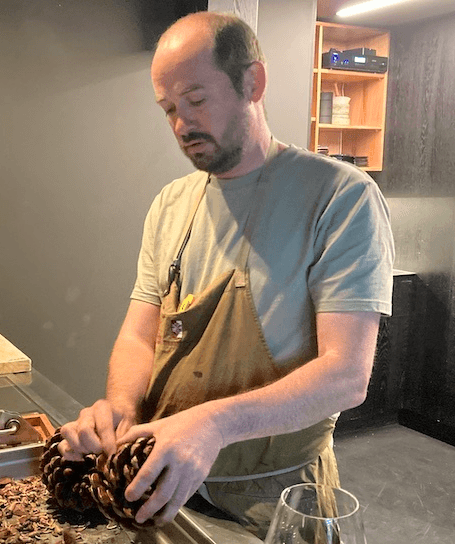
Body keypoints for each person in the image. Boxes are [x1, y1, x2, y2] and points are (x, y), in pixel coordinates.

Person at [58, 10, 394, 538]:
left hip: (276, 497)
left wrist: (214, 423)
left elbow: (346, 374)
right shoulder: (171, 204)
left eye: (195, 100)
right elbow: (139, 334)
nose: (181, 125)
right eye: (168, 108)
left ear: (252, 82)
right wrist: (120, 408)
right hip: (163, 486)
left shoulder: (340, 197)